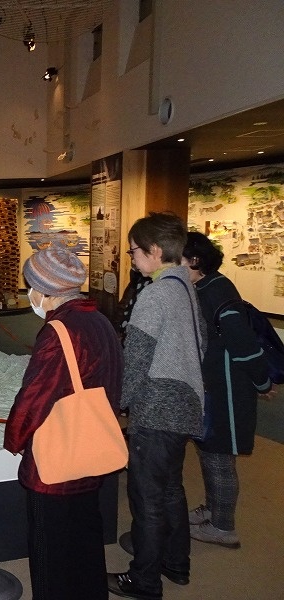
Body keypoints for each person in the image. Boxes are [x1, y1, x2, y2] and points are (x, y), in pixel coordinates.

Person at [3, 244, 123, 600]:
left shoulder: (58, 330)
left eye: (31, 286)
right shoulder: (100, 320)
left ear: (44, 290)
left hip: (56, 466)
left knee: (50, 549)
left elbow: (35, 397)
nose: (29, 294)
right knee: (86, 538)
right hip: (91, 447)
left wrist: (14, 439)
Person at [108, 212, 206, 600]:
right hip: (185, 403)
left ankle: (144, 580)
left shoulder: (155, 295)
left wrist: (116, 405)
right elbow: (201, 346)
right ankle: (175, 562)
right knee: (170, 490)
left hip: (157, 408)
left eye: (133, 251)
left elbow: (136, 359)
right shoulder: (185, 288)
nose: (131, 259)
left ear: (153, 250)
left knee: (146, 497)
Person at [182, 231, 271, 548]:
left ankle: (223, 527)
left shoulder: (218, 291)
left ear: (194, 260)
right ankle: (213, 510)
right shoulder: (204, 287)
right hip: (214, 387)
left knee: (219, 458)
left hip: (228, 392)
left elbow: (243, 345)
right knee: (209, 453)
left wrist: (262, 381)